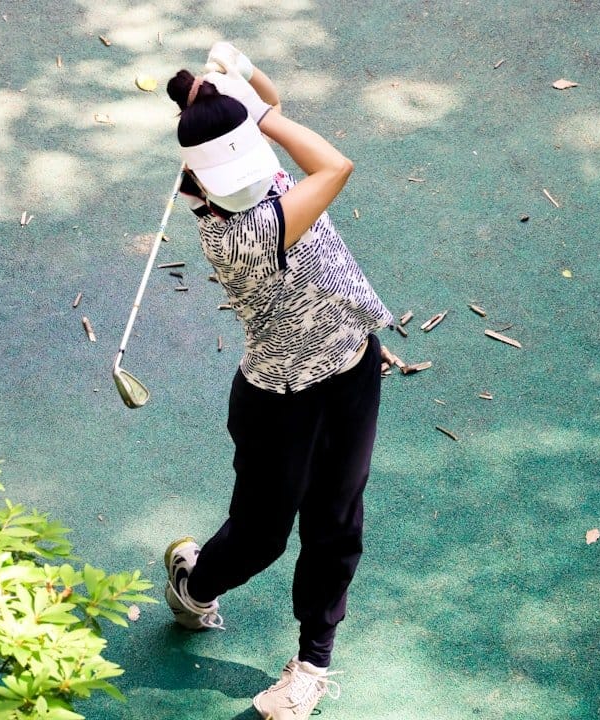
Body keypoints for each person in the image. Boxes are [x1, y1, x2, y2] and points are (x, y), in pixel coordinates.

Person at [162, 41, 394, 720]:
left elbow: (273, 103)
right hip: (280, 401)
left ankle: (312, 664)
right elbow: (335, 163)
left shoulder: (253, 183)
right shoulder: (245, 230)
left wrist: (239, 71)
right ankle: (194, 579)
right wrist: (252, 117)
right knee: (262, 535)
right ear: (201, 186)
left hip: (352, 372)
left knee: (335, 523)